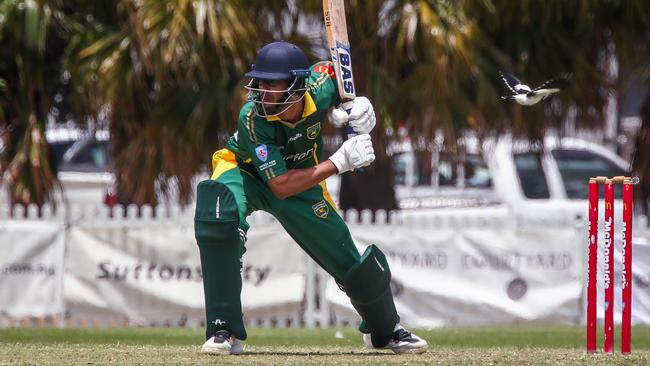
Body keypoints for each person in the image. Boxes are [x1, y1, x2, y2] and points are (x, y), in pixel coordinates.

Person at [194, 40, 428, 355]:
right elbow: (278, 185)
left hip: (302, 178)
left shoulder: (318, 87)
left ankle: (385, 331)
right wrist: (339, 162)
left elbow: (335, 72)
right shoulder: (252, 116)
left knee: (346, 256)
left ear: (297, 85)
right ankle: (223, 331)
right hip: (245, 172)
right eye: (259, 81)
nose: (261, 89)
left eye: (272, 82)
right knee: (220, 215)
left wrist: (355, 105)